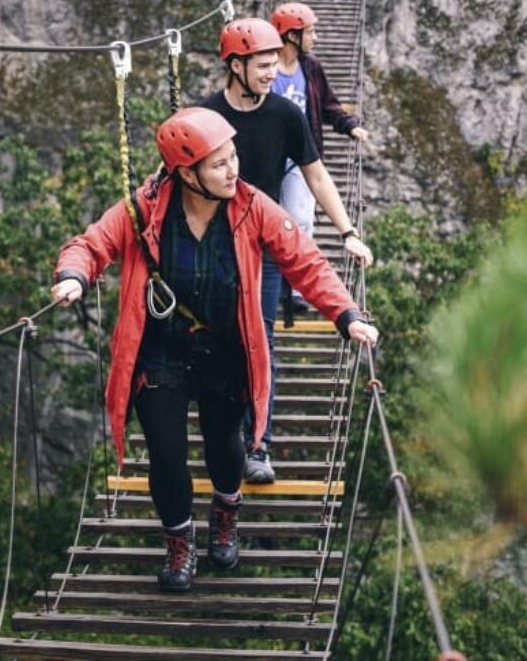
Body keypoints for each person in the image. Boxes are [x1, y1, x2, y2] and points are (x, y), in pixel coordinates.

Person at [51, 107, 378, 592]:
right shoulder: (144, 209)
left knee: (226, 446)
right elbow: (92, 243)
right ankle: (179, 544)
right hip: (160, 351)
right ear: (187, 173)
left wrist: (346, 314)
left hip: (226, 347)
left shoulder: (252, 206)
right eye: (219, 163)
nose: (233, 170)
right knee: (165, 454)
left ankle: (226, 510)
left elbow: (305, 262)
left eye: (233, 157)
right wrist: (74, 276)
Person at [197, 18, 373, 484]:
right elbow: (171, 178)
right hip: (212, 248)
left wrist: (347, 231)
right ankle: (221, 435)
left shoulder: (286, 116)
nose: (272, 73)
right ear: (236, 66)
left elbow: (316, 175)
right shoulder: (205, 118)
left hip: (267, 247)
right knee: (212, 343)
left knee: (261, 340)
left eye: (276, 64)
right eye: (263, 65)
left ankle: (258, 446)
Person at [269, 2, 371, 246]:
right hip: (268, 156)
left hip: (301, 156)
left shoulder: (310, 67)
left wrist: (349, 125)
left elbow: (327, 104)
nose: (316, 37)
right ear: (293, 35)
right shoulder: (265, 68)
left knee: (301, 222)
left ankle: (296, 284)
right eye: (310, 31)